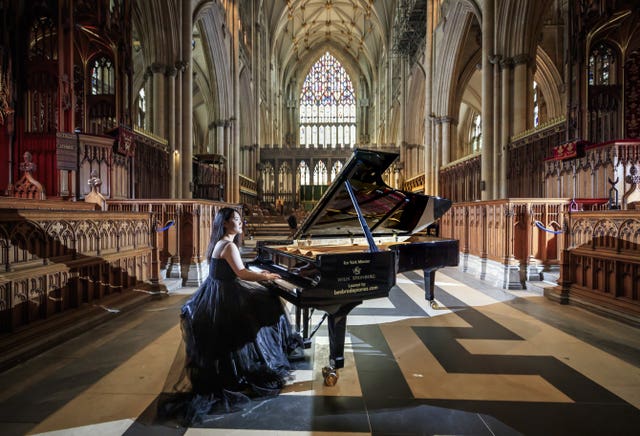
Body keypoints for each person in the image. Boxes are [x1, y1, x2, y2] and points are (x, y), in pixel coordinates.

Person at [171, 207, 304, 422]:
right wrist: (267, 276)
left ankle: (255, 356)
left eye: (241, 219)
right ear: (224, 223)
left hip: (216, 292)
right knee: (269, 302)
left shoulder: (220, 242)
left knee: (260, 303)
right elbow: (242, 273)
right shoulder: (229, 245)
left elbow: (237, 270)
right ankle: (268, 354)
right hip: (225, 296)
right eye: (235, 219)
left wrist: (260, 274)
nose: (240, 222)